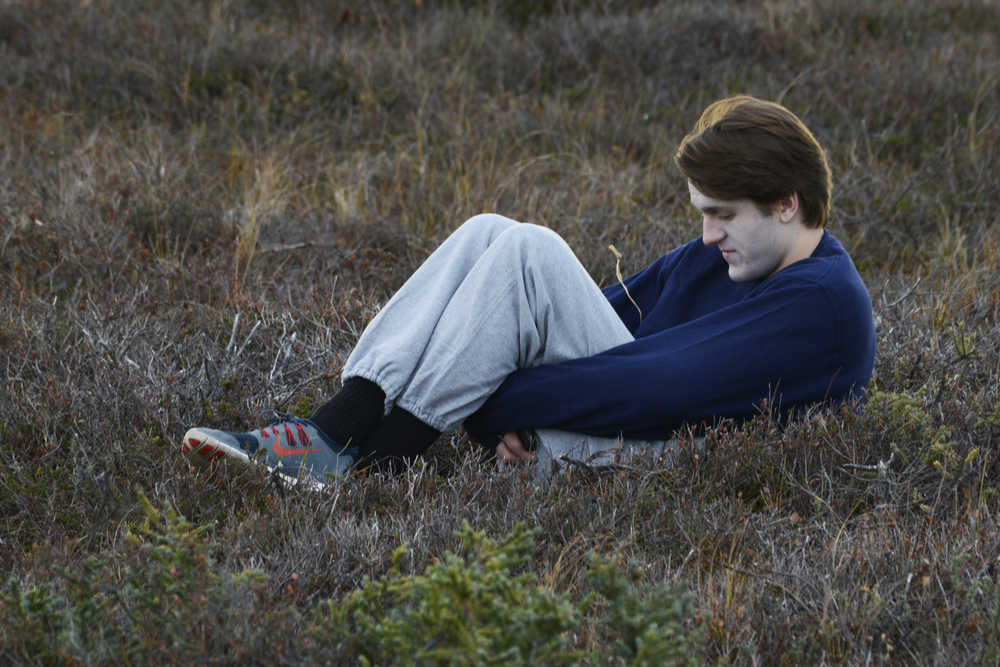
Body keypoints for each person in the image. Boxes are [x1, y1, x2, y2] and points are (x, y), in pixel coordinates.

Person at [181, 95, 876, 484]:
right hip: (621, 422)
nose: (705, 235)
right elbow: (607, 317)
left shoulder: (822, 304)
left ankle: (373, 462)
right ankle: (340, 423)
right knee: (492, 231)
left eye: (723, 213)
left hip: (662, 460)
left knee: (528, 250)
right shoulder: (724, 259)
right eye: (702, 212)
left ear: (787, 203)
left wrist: (485, 406)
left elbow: (662, 386)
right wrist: (491, 373)